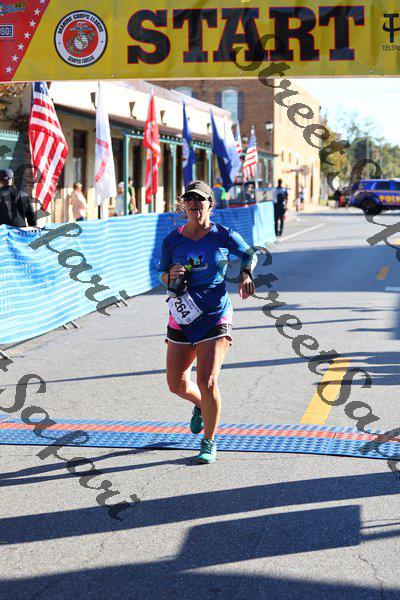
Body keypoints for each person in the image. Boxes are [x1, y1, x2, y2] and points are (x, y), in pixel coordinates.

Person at [158, 180, 256, 464]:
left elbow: (249, 253)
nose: (194, 204)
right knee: (176, 384)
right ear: (184, 205)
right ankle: (202, 406)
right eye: (189, 199)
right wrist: (170, 275)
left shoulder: (223, 235)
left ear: (210, 204)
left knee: (206, 379)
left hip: (215, 314)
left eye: (200, 199)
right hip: (183, 314)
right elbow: (162, 274)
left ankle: (209, 441)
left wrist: (246, 274)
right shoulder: (172, 240)